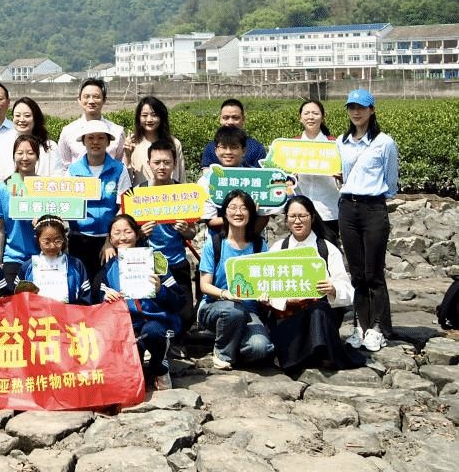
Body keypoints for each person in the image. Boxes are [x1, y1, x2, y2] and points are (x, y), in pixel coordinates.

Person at [267, 195, 365, 378]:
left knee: (318, 310)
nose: (297, 221)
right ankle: (306, 354)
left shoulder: (327, 248)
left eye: (302, 216)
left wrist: (333, 289)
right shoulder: (278, 248)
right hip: (288, 313)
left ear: (312, 217)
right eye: (292, 216)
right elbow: (268, 287)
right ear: (286, 219)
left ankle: (318, 353)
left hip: (320, 314)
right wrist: (285, 301)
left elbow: (347, 290)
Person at [337, 88, 399, 352]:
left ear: (372, 110)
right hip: (346, 208)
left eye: (361, 107)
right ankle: (360, 326)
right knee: (357, 273)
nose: (356, 112)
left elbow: (391, 182)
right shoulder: (341, 142)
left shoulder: (384, 142)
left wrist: (371, 193)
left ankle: (378, 328)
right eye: (352, 107)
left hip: (373, 208)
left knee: (374, 273)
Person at [93, 214, 182, 391]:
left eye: (127, 232)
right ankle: (138, 360)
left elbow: (180, 300)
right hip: (127, 326)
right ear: (110, 238)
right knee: (133, 372)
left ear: (137, 233)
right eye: (116, 233)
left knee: (153, 333)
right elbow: (96, 303)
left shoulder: (155, 260)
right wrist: (106, 298)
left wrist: (161, 290)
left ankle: (160, 367)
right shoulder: (108, 268)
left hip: (157, 322)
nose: (122, 237)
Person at [196, 189, 274, 370]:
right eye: (233, 207)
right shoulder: (214, 243)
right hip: (215, 307)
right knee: (232, 311)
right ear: (224, 212)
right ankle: (222, 353)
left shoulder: (259, 245)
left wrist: (265, 296)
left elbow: (265, 281)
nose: (238, 212)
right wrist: (226, 294)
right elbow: (204, 286)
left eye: (244, 208)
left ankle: (232, 340)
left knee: (261, 348)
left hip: (249, 310)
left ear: (251, 213)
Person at [137, 139, 197, 336]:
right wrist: (140, 233)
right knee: (152, 309)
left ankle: (177, 339)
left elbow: (193, 231)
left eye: (166, 162)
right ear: (149, 164)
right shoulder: (138, 193)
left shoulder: (183, 193)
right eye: (156, 162)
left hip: (177, 261)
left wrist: (185, 231)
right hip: (148, 264)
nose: (161, 167)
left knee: (185, 315)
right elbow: (124, 231)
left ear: (175, 164)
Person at [67, 119, 131, 279]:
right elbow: (66, 205)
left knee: (105, 286)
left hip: (108, 240)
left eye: (101, 137)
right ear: (83, 141)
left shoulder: (119, 169)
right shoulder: (72, 171)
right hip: (79, 239)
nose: (95, 142)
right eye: (90, 138)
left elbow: (124, 208)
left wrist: (110, 240)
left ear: (108, 142)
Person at [0, 134, 42, 284]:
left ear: (37, 157)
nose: (25, 158)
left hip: (42, 257)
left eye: (30, 153)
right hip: (13, 258)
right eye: (20, 153)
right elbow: (0, 228)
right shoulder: (3, 189)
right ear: (14, 156)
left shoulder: (46, 188)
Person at [294, 99, 341, 245]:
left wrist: (341, 176)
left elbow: (346, 176)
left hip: (328, 210)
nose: (310, 117)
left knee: (329, 250)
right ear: (300, 118)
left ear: (323, 117)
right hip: (300, 210)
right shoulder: (292, 145)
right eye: (306, 113)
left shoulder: (334, 144)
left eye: (315, 113)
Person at [19, 214, 89, 304]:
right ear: (38, 240)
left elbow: (85, 298)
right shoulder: (27, 267)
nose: (52, 246)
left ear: (64, 239)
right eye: (46, 242)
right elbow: (18, 299)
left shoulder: (76, 265)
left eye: (57, 241)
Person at [58, 78, 125, 168]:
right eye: (86, 97)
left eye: (96, 97)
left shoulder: (117, 132)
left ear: (104, 100)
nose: (91, 101)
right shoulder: (68, 132)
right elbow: (64, 166)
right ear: (79, 100)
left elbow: (120, 164)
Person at [122, 96, 186, 185]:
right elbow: (125, 180)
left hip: (170, 192)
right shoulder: (132, 143)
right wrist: (127, 156)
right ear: (138, 118)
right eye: (144, 115)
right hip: (142, 193)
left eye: (154, 115)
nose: (149, 119)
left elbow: (181, 176)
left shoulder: (174, 143)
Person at [200, 99, 267, 169]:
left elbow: (260, 174)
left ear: (243, 119)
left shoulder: (257, 148)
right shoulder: (210, 148)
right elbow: (207, 172)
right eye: (226, 118)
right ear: (220, 119)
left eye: (235, 118)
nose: (230, 122)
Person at [10, 96, 63, 176]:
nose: (21, 120)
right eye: (17, 115)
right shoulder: (7, 143)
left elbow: (57, 176)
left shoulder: (50, 146)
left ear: (36, 118)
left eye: (27, 116)